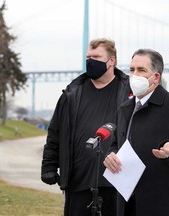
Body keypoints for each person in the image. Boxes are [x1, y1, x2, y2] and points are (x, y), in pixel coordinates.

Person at [103, 49, 169, 216]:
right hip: (127, 201)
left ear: (156, 77)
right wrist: (110, 155)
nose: (135, 75)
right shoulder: (124, 109)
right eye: (132, 69)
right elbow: (116, 144)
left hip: (163, 203)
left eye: (141, 70)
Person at [41, 38, 131, 216]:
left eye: (96, 57)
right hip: (78, 182)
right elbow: (55, 132)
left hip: (117, 182)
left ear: (111, 60)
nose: (90, 61)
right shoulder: (71, 94)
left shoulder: (129, 92)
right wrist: (49, 166)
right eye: (88, 57)